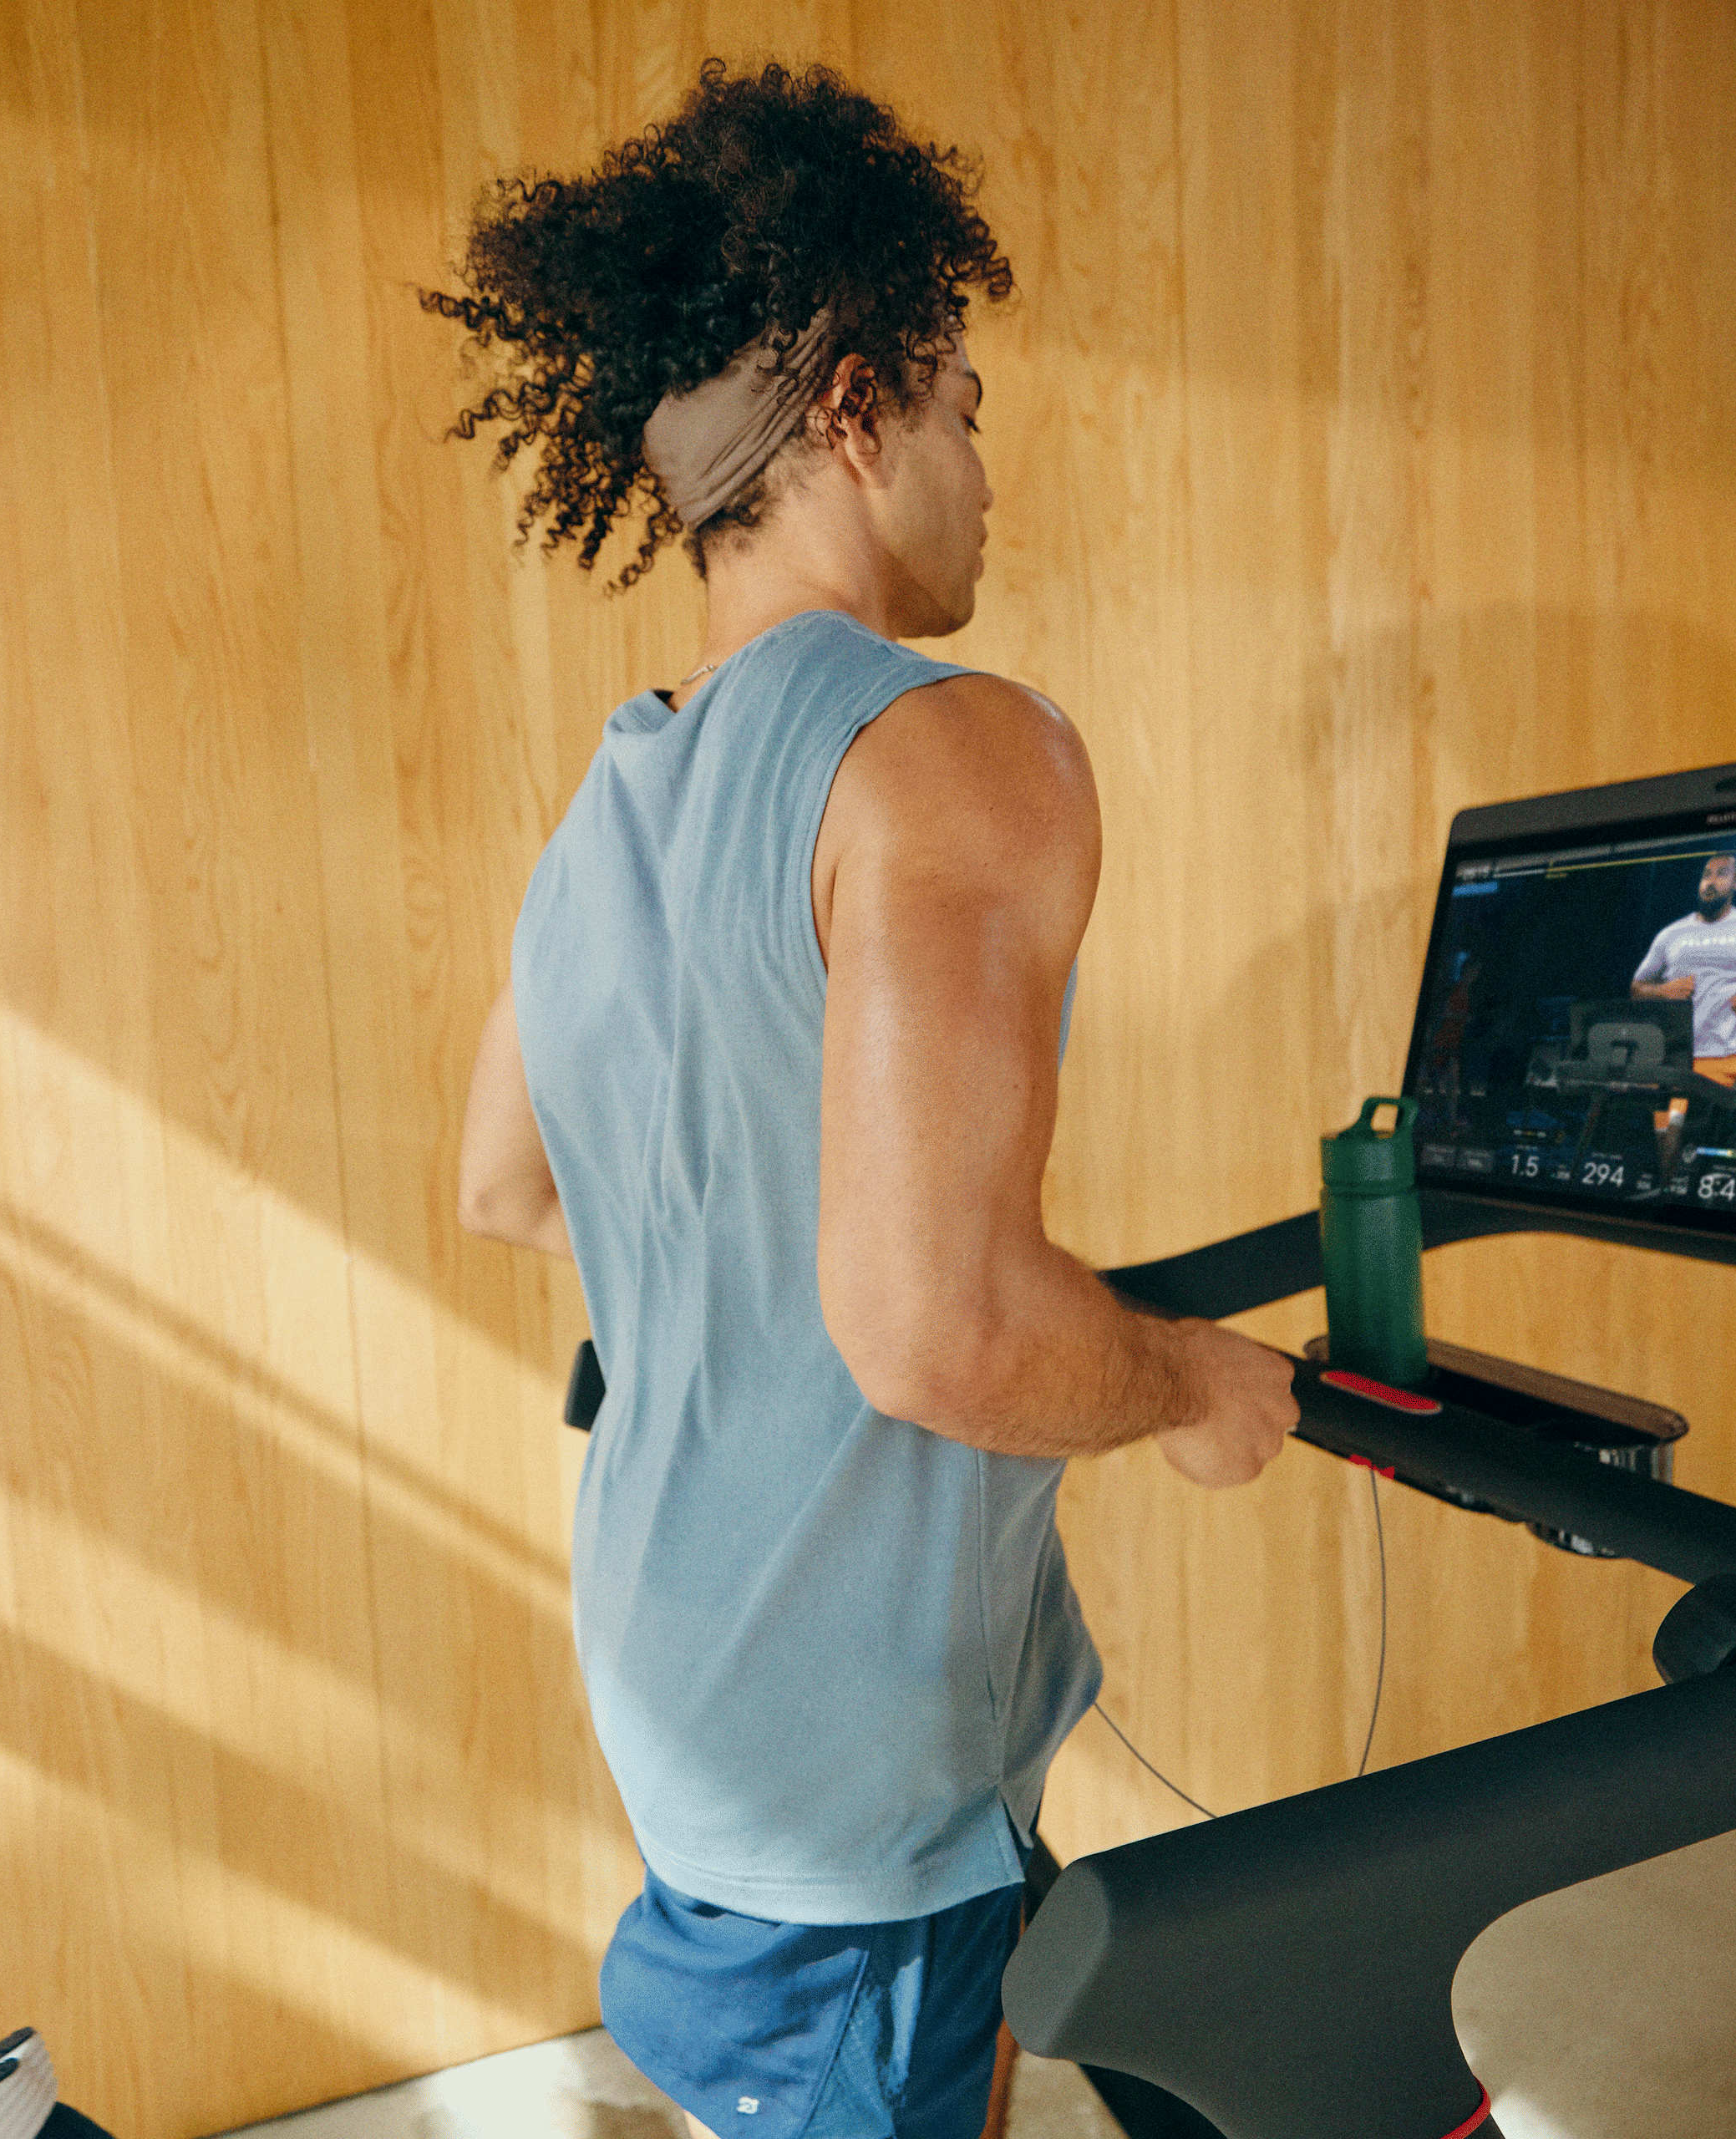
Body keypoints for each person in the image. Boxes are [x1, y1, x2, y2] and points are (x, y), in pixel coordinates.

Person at [429, 61, 1299, 2139]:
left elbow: (503, 1182)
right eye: (963, 407)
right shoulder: (946, 751)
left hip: (680, 1673)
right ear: (852, 403)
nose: (985, 467)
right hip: (841, 1776)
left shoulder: (609, 801)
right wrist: (1185, 1381)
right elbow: (936, 1328)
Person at [1630, 853, 1736, 1180]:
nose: (1710, 881)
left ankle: (1674, 1196)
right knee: (1667, 1139)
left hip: (1719, 1049)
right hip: (1670, 1052)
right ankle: (1668, 1197)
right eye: (1706, 874)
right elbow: (1637, 988)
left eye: (1721, 874)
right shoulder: (1671, 934)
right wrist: (1663, 991)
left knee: (1683, 1134)